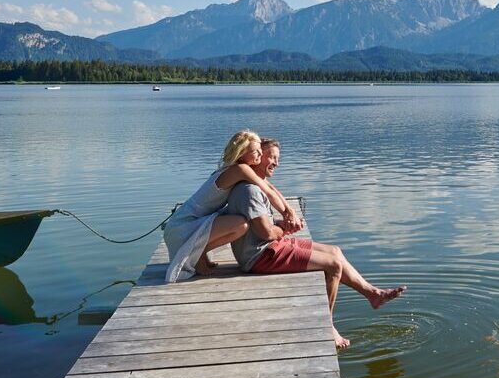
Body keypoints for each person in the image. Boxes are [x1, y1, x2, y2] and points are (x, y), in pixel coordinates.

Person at [229, 138, 403, 349]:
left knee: (335, 251)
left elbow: (260, 224)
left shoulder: (257, 185)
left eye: (278, 158)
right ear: (256, 157)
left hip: (267, 247)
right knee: (333, 265)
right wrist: (284, 228)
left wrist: (282, 223)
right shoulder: (249, 191)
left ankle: (372, 294)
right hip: (259, 256)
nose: (276, 163)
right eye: (271, 157)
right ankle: (328, 326)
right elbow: (265, 233)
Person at [160, 130, 303, 283]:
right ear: (241, 153)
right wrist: (287, 213)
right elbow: (268, 191)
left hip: (193, 221)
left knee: (240, 222)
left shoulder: (238, 169)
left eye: (261, 152)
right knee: (241, 225)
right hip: (183, 225)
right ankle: (198, 256)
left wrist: (290, 211)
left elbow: (270, 188)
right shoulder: (240, 169)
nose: (260, 156)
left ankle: (200, 253)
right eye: (255, 152)